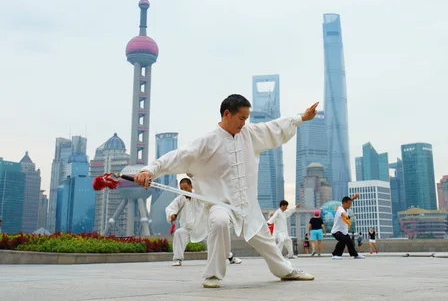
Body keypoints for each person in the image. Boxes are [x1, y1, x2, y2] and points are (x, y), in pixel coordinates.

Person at [134, 94, 317, 288]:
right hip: (220, 204)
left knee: (265, 240)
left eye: (246, 119)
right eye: (241, 118)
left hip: (247, 204)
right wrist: (149, 170)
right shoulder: (207, 141)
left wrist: (301, 118)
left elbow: (272, 128)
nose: (244, 123)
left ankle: (285, 271)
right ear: (227, 114)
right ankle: (213, 274)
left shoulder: (249, 133)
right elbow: (177, 157)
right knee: (219, 222)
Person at [177, 175, 242, 266]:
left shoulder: (198, 195)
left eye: (186, 188)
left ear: (191, 186)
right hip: (189, 229)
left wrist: (193, 177)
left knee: (216, 242)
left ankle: (230, 257)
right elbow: (172, 207)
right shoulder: (180, 198)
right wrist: (172, 214)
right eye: (181, 189)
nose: (184, 191)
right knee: (179, 233)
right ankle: (177, 259)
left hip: (203, 228)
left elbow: (201, 187)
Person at [331, 194, 365, 260]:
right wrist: (346, 216)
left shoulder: (345, 207)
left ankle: (355, 255)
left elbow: (349, 200)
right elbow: (342, 214)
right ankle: (336, 254)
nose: (350, 205)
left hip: (343, 231)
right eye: (349, 204)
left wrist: (354, 197)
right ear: (344, 203)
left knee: (349, 242)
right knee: (343, 240)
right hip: (336, 231)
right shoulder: (341, 210)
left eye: (350, 204)